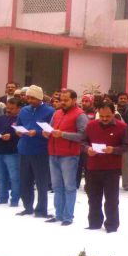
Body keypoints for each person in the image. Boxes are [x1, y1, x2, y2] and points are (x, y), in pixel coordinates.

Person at [84, 103, 128, 233]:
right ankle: (94, 223)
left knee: (111, 199)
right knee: (93, 197)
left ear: (113, 113)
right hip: (93, 166)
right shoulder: (91, 125)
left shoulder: (122, 127)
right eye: (102, 116)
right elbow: (83, 141)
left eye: (108, 116)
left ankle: (111, 225)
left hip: (112, 168)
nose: (105, 119)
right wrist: (87, 149)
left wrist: (114, 150)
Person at [43, 89, 88, 226]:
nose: (63, 102)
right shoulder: (56, 113)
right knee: (57, 186)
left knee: (69, 186)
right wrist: (47, 133)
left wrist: (62, 134)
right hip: (54, 153)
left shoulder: (80, 115)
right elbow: (51, 129)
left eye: (66, 100)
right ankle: (58, 214)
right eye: (61, 99)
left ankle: (68, 216)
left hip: (69, 155)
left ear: (74, 100)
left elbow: (83, 136)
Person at [15, 85, 55, 217]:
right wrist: (18, 131)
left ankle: (41, 209)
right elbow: (18, 124)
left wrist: (37, 133)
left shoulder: (49, 111)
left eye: (33, 98)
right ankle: (27, 206)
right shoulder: (24, 110)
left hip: (40, 150)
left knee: (41, 181)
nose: (30, 100)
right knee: (25, 180)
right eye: (28, 98)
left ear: (39, 98)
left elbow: (51, 130)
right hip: (24, 149)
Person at [0, 98, 22, 206]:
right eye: (8, 107)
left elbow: (22, 133)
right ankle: (2, 197)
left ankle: (15, 199)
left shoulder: (20, 119)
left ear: (19, 109)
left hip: (13, 151)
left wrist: (11, 136)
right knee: (1, 176)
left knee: (14, 177)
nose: (9, 110)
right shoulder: (0, 118)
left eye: (12, 108)